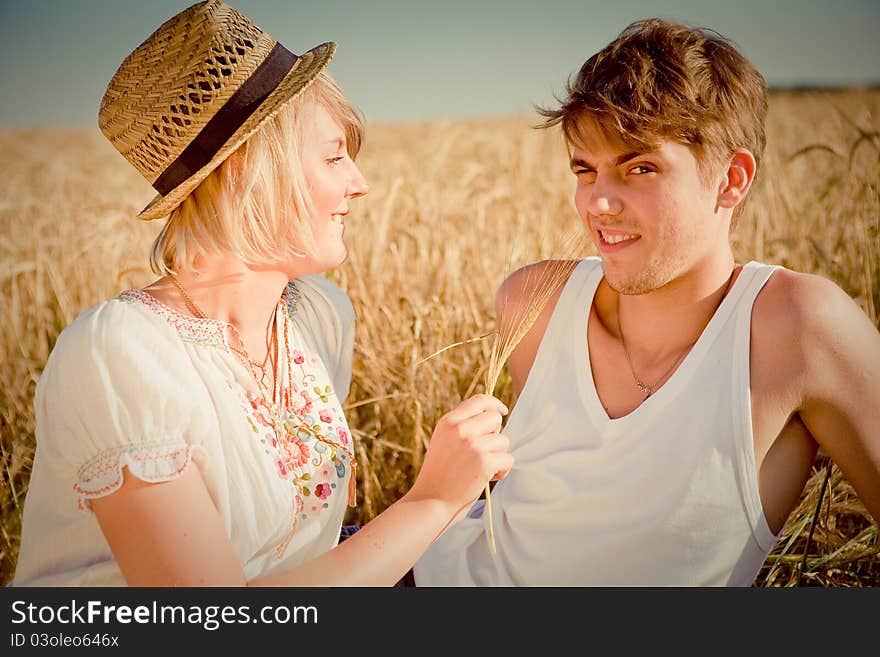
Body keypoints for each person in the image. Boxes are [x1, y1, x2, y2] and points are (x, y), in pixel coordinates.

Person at [11, 0, 512, 587]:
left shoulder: (320, 315)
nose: (360, 183)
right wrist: (432, 501)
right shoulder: (121, 355)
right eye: (333, 158)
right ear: (246, 170)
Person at [413, 18, 880, 586]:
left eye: (640, 168)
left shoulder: (798, 327)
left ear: (731, 179)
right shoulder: (533, 302)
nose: (599, 204)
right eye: (586, 171)